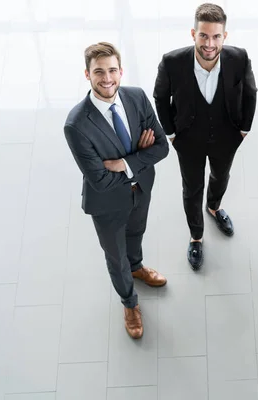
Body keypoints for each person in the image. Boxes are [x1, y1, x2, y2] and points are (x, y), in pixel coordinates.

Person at [64, 42, 169, 339]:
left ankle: (137, 268)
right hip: (107, 203)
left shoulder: (136, 97)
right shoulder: (76, 124)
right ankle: (129, 302)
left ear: (121, 71)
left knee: (136, 233)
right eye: (99, 72)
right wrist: (139, 157)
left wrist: (124, 163)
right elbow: (99, 179)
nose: (106, 78)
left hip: (141, 188)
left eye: (112, 70)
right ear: (87, 75)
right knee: (115, 257)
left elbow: (161, 147)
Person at [154, 3, 257, 270]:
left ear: (225, 36)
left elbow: (250, 93)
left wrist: (244, 129)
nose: (209, 43)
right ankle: (196, 236)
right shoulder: (172, 62)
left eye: (216, 36)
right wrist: (171, 133)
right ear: (193, 33)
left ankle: (213, 207)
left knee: (221, 176)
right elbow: (161, 97)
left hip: (227, 135)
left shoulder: (240, 58)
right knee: (191, 188)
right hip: (188, 138)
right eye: (203, 35)